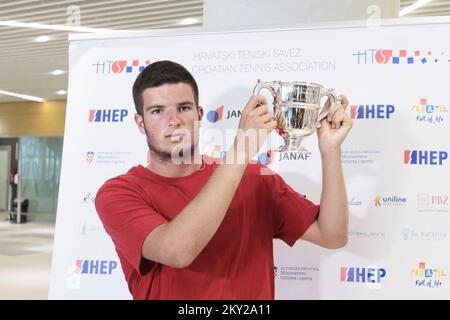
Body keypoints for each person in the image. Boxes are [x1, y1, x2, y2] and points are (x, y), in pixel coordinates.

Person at [95, 60, 353, 300]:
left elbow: (332, 235)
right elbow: (177, 250)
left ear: (199, 114)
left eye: (183, 108)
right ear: (140, 123)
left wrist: (330, 151)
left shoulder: (254, 177)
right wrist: (241, 149)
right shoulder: (119, 192)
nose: (173, 121)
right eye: (157, 111)